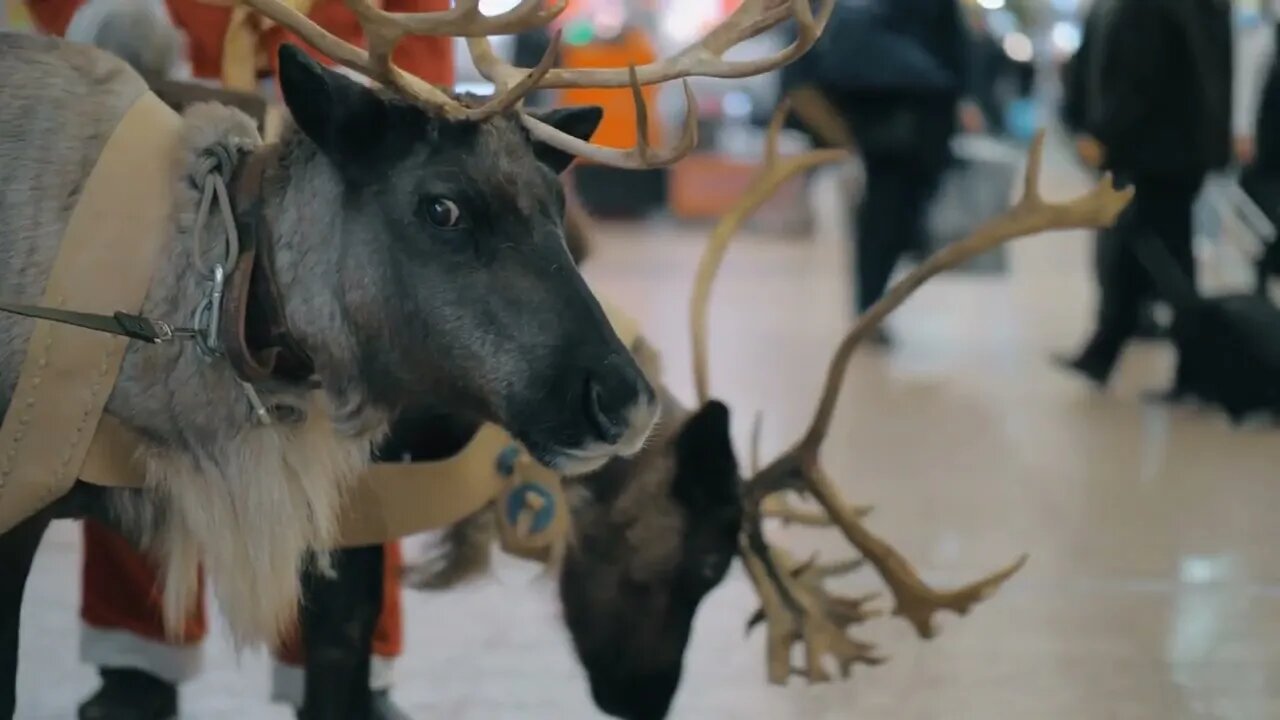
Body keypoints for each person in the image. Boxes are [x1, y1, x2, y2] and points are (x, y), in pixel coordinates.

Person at [21, 1, 453, 717]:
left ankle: (348, 667)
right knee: (134, 392)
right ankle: (138, 660)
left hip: (337, 128)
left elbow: (418, 18)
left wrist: (361, 82)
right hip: (153, 114)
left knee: (345, 414)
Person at [1056, 0, 1233, 387]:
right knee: (1135, 254)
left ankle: (1194, 367)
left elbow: (1138, 79)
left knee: (1162, 259)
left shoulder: (1149, 9)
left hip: (1153, 155)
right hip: (1161, 154)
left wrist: (1103, 133)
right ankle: (1105, 350)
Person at [782, 0, 978, 346]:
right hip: (908, 126)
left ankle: (869, 307)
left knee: (884, 224)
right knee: (887, 225)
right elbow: (956, 53)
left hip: (882, 127)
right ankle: (869, 308)